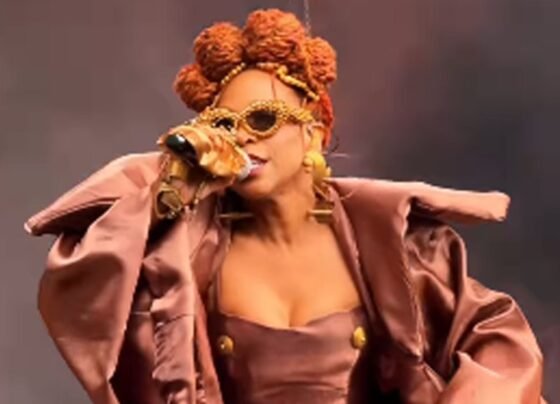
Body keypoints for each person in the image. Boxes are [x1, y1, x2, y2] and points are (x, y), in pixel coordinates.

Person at [25, 8, 545, 404]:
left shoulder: (397, 249)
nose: (243, 140)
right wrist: (172, 186)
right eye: (225, 126)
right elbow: (85, 286)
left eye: (263, 120)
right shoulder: (184, 256)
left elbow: (499, 342)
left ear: (313, 133)